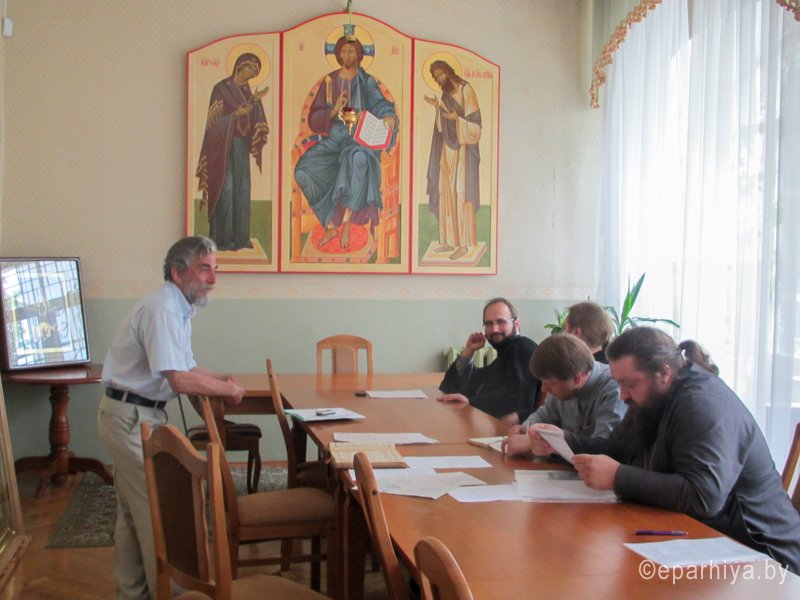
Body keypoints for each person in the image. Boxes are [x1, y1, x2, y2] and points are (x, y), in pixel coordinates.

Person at [528, 327, 800, 574]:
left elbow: (703, 496)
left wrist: (618, 477)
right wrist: (561, 441)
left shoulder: (703, 405)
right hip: (697, 538)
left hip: (761, 554)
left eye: (630, 384)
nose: (623, 395)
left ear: (664, 373)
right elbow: (616, 449)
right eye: (619, 383)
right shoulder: (652, 396)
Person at [97, 236, 245, 599]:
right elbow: (178, 379)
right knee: (159, 511)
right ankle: (173, 595)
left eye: (215, 270)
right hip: (131, 417)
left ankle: (134, 594)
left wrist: (218, 379)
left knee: (133, 514)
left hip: (134, 414)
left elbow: (187, 366)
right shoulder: (163, 309)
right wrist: (225, 390)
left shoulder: (178, 308)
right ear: (178, 273)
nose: (213, 279)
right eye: (204, 269)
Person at [294, 34, 398, 250]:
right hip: (334, 140)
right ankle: (330, 225)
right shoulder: (329, 82)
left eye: (352, 51)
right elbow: (314, 118)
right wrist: (333, 110)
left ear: (358, 54)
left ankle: (348, 223)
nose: (348, 55)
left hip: (359, 139)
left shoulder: (365, 81)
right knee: (303, 171)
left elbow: (381, 104)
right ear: (338, 54)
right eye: (344, 51)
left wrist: (388, 115)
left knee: (357, 158)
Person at [504, 334, 625, 457]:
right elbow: (544, 415)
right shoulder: (562, 382)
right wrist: (526, 430)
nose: (544, 389)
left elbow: (603, 450)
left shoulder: (615, 389)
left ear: (577, 379)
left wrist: (535, 443)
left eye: (551, 384)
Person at [195, 53, 270, 251]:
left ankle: (241, 238)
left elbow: (252, 120)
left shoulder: (247, 91)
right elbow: (213, 125)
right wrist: (236, 114)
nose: (252, 74)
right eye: (251, 69)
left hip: (240, 146)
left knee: (243, 189)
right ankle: (222, 239)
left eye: (256, 72)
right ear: (240, 66)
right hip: (222, 147)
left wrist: (255, 103)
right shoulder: (221, 89)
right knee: (226, 188)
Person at [438, 297, 539, 424]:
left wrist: (470, 402)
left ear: (516, 323)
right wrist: (469, 351)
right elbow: (450, 387)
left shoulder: (521, 347)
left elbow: (517, 397)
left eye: (501, 322)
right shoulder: (506, 353)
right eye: (489, 324)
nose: (494, 329)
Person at [424, 60, 481, 261]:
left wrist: (457, 118)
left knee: (460, 192)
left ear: (449, 72)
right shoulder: (446, 95)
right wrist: (437, 108)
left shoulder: (466, 90)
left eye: (441, 74)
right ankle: (448, 240)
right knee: (445, 192)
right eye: (436, 77)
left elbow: (476, 128)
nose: (439, 79)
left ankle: (463, 244)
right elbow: (441, 127)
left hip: (463, 150)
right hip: (446, 149)